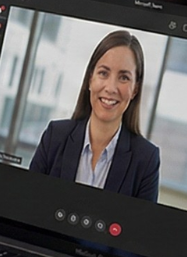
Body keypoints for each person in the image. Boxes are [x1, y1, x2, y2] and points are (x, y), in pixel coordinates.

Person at [28, 30, 161, 201]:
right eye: (103, 73)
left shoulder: (146, 160)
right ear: (91, 78)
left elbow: (142, 227)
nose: (111, 88)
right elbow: (28, 204)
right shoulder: (55, 136)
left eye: (123, 77)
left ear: (135, 89)